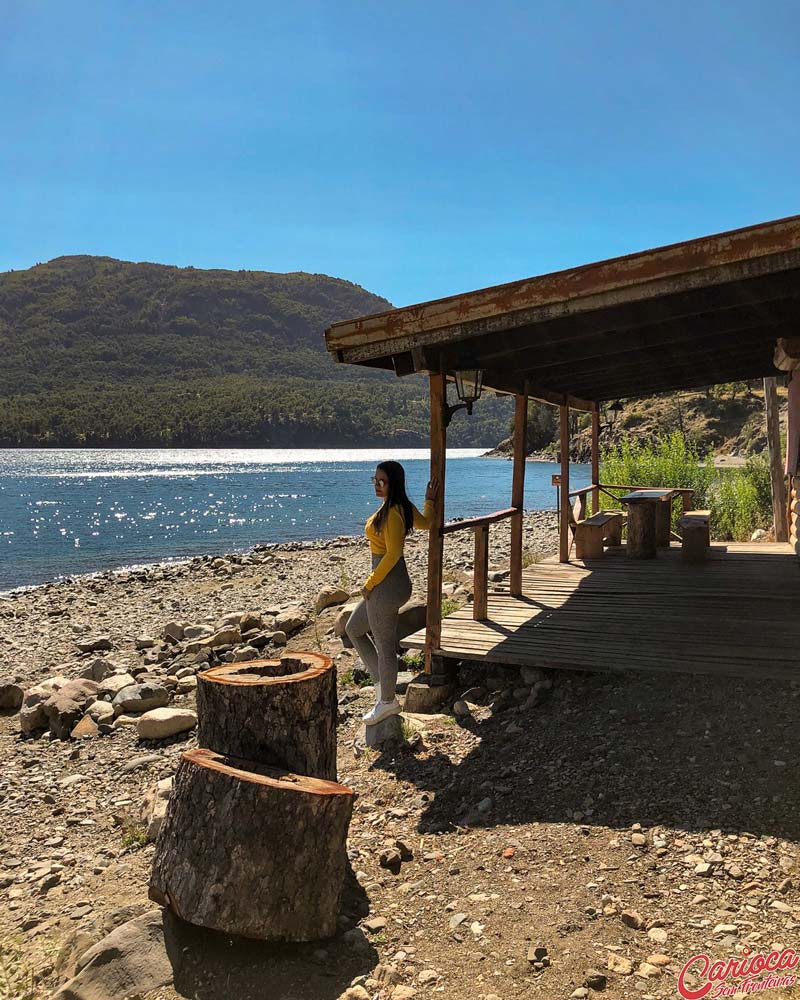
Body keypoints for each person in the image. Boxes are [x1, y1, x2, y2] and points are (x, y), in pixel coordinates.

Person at [345, 461, 439, 725]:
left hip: (387, 583)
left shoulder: (395, 512)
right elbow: (428, 522)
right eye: (374, 480)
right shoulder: (397, 507)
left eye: (381, 481)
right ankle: (382, 686)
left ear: (393, 483)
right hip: (389, 582)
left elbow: (393, 553)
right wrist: (429, 501)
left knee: (385, 645)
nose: (376, 485)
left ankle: (387, 703)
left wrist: (370, 583)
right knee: (354, 628)